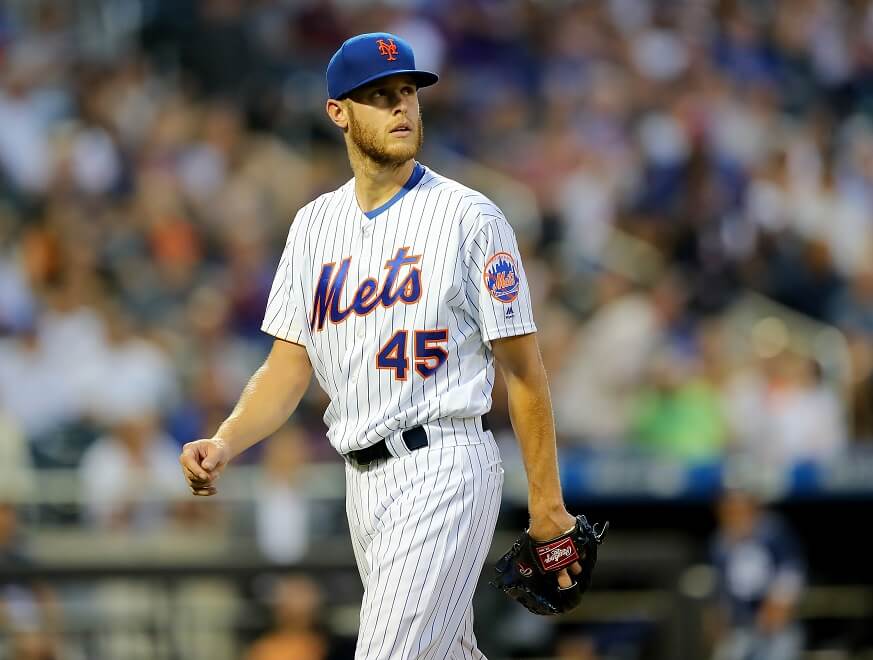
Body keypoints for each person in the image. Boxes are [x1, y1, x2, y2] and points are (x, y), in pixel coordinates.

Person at [179, 32, 580, 659]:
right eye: (380, 95)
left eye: (408, 93)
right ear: (338, 111)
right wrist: (227, 440)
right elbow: (288, 367)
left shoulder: (469, 217)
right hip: (362, 482)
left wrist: (546, 505)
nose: (401, 107)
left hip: (444, 463)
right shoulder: (314, 226)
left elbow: (525, 371)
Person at [707, 487, 806, 660]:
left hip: (775, 626)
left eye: (740, 510)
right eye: (729, 511)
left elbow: (791, 570)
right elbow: (721, 586)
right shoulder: (720, 543)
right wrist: (718, 616)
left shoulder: (773, 532)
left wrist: (780, 602)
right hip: (739, 625)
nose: (735, 516)